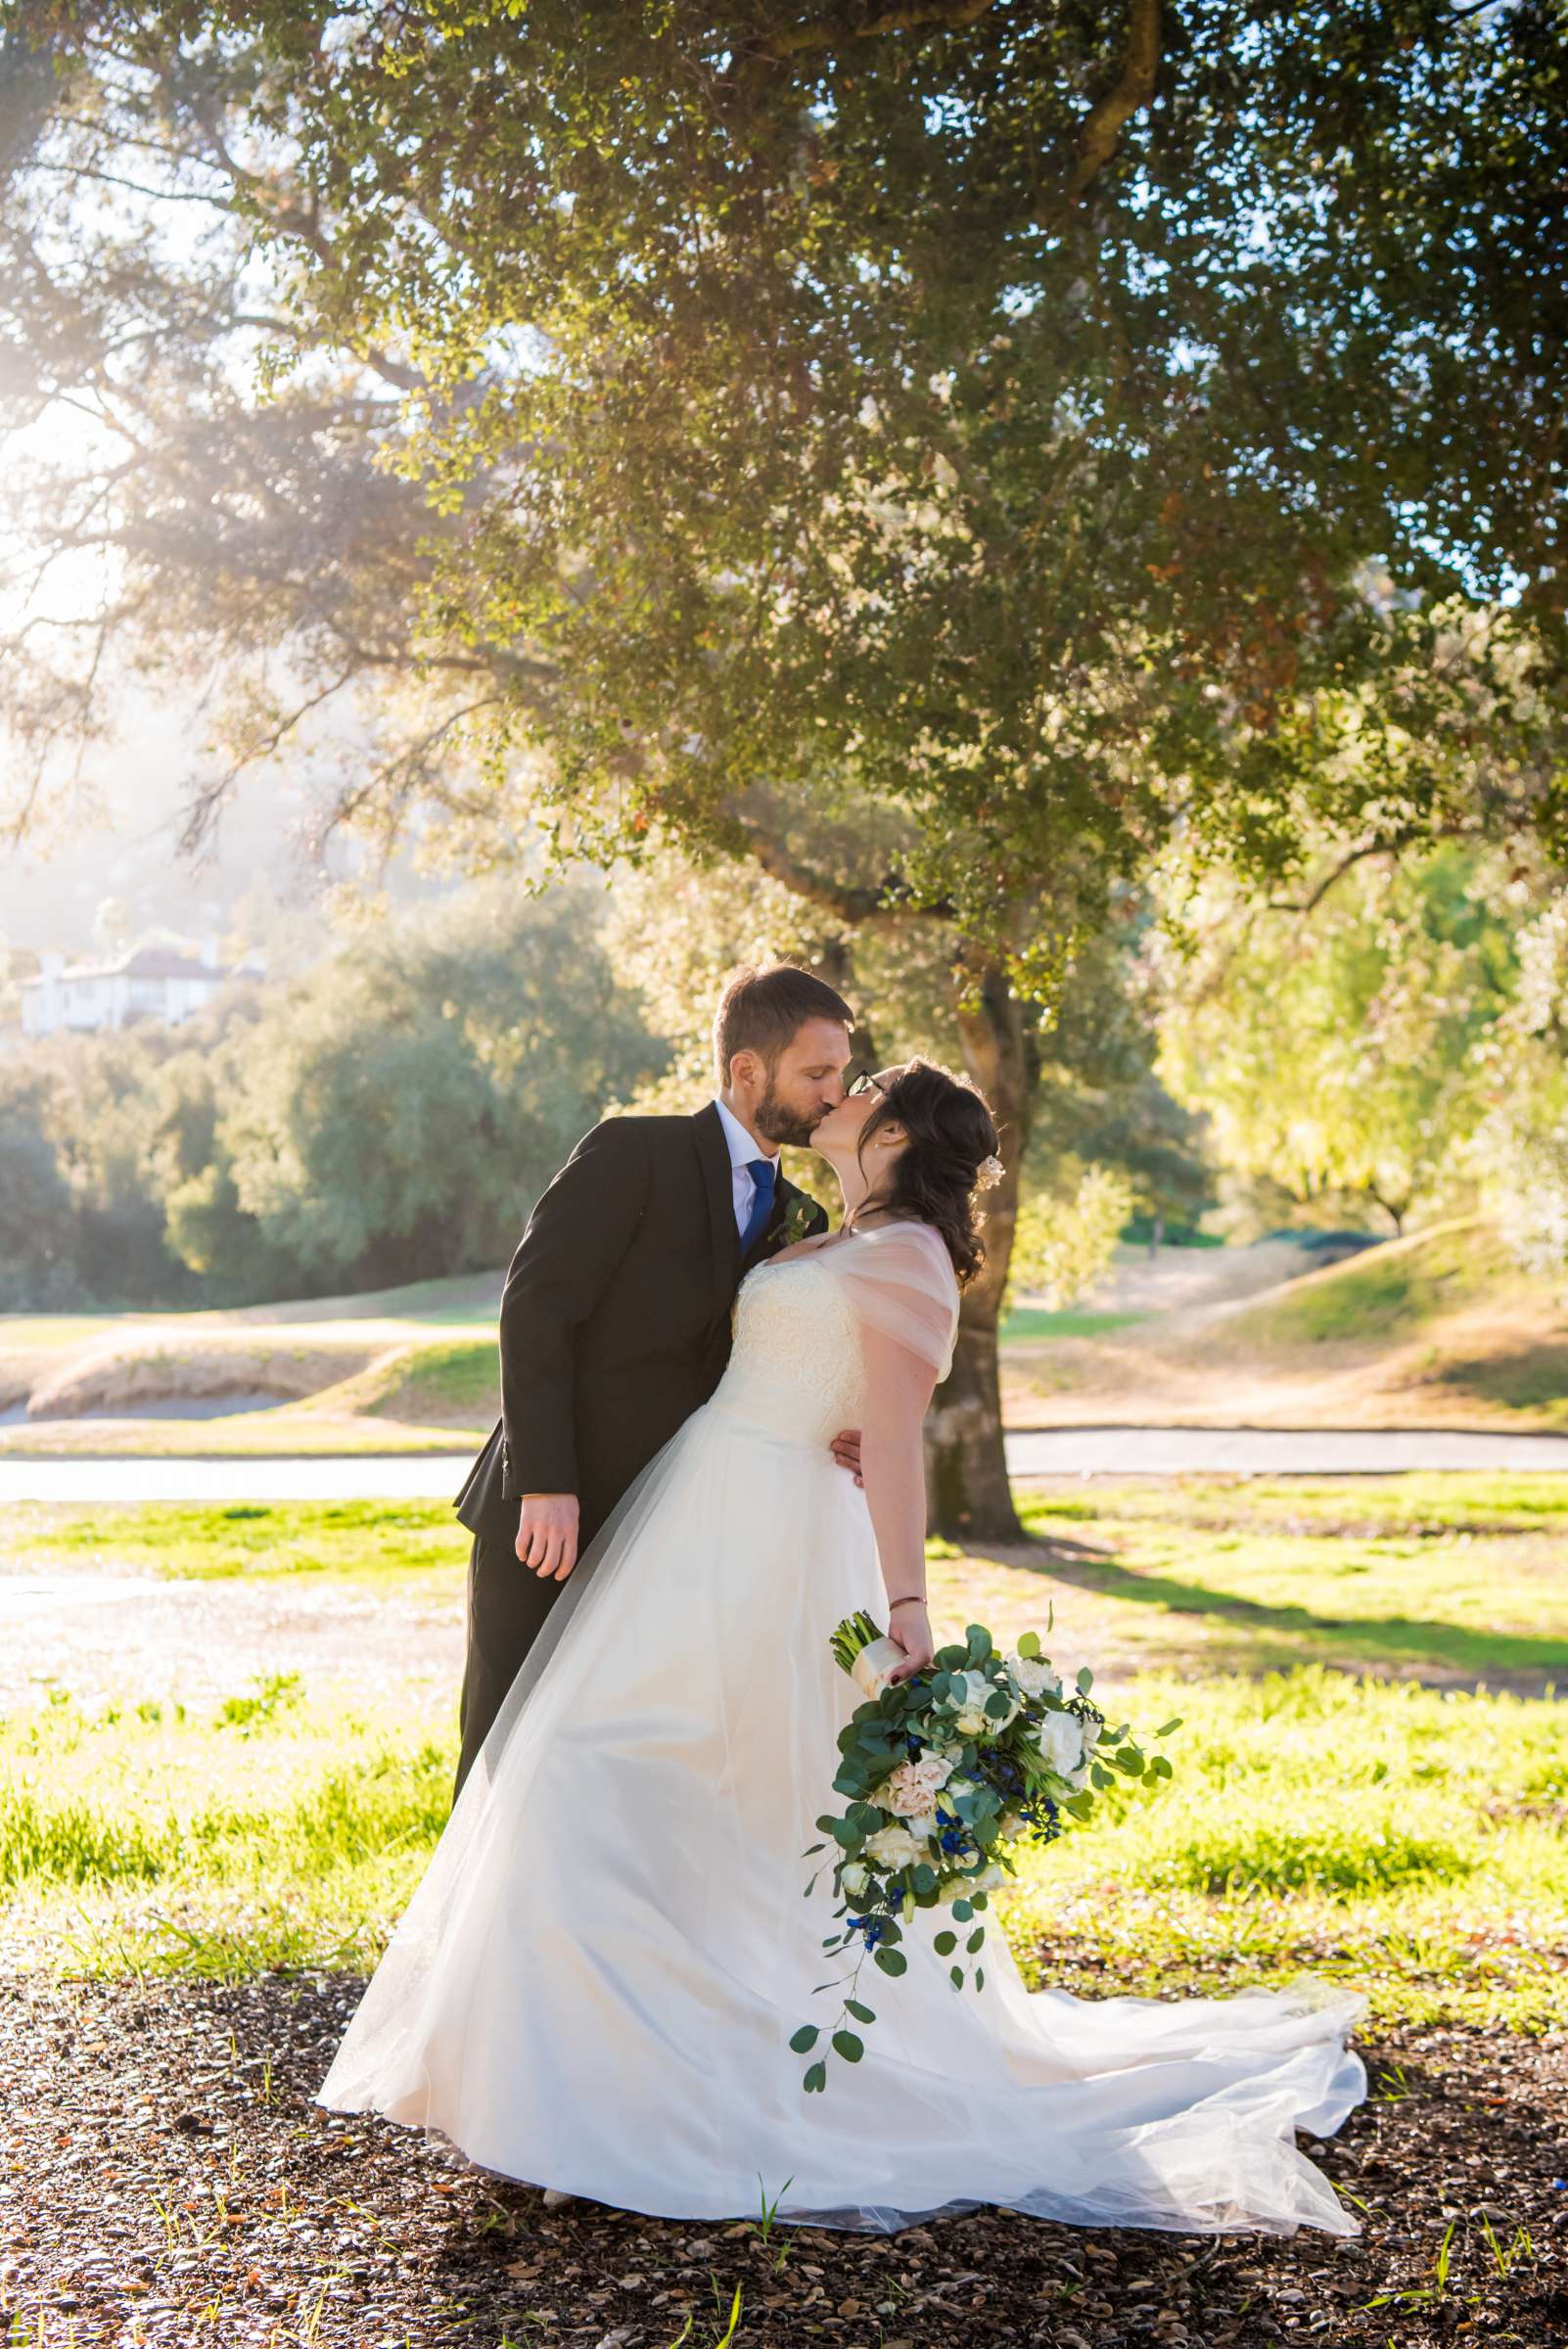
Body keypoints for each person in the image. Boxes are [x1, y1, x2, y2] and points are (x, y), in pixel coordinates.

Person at [321, 1056, 1365, 2236]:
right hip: (691, 1517)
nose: (841, 1091)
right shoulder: (823, 1229)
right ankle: (587, 2089)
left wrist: (909, 1612)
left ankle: (640, 2102)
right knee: (601, 1781)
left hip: (772, 1547)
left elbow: (898, 1444)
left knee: (669, 1790)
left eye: (862, 1082)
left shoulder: (913, 1258)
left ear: (905, 1133)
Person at [449, 961, 857, 1794]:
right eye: (817, 1072)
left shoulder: (803, 1220)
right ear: (748, 1070)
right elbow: (535, 1311)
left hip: (681, 1531)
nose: (834, 1092)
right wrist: (547, 1485)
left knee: (616, 1761)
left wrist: (835, 1429)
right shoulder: (633, 1152)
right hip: (552, 1518)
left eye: (841, 1072)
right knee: (505, 1748)